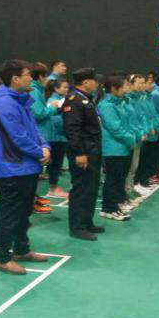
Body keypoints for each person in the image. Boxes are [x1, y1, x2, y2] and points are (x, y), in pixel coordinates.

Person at [0, 59, 51, 273]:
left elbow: (33, 130)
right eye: (27, 75)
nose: (30, 78)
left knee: (23, 213)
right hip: (14, 167)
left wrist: (45, 146)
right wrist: (39, 152)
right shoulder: (6, 103)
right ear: (15, 79)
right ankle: (3, 258)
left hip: (28, 166)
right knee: (9, 215)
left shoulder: (21, 100)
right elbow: (18, 136)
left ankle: (21, 249)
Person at [62, 67, 104, 241]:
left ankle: (87, 221)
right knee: (81, 189)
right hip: (83, 152)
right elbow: (72, 129)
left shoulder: (86, 99)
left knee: (91, 188)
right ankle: (77, 226)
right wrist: (79, 153)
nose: (97, 83)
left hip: (92, 150)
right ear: (86, 82)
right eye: (94, 80)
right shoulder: (75, 100)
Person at [98, 75, 134, 221]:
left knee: (119, 178)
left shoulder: (119, 103)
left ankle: (116, 204)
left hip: (122, 146)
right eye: (124, 86)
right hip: (112, 148)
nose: (126, 89)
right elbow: (115, 128)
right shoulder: (107, 106)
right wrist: (131, 138)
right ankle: (108, 208)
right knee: (112, 180)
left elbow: (127, 123)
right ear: (114, 88)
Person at [28, 62, 56, 213]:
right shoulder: (33, 91)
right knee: (33, 172)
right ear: (40, 77)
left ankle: (33, 197)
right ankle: (30, 201)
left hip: (40, 135)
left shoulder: (37, 90)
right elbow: (38, 114)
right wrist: (52, 108)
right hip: (37, 136)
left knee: (36, 171)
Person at [42, 78, 69, 198]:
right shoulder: (55, 101)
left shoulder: (62, 100)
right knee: (55, 164)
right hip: (55, 136)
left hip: (59, 136)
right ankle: (53, 189)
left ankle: (53, 186)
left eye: (67, 87)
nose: (67, 89)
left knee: (56, 163)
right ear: (56, 89)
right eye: (64, 87)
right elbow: (57, 121)